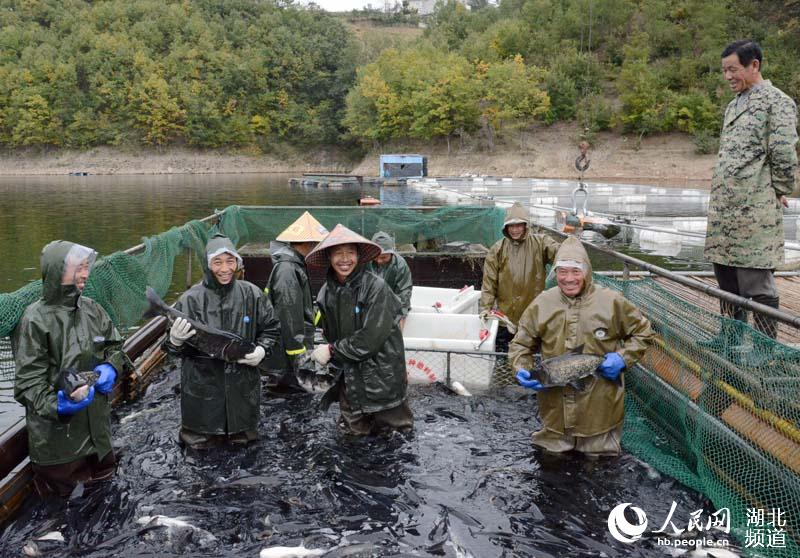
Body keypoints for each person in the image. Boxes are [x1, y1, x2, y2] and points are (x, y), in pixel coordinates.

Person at [509, 236, 653, 457]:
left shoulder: (612, 302)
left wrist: (623, 358)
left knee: (599, 469)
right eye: (562, 271)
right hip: (555, 414)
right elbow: (521, 344)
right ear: (554, 273)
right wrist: (521, 368)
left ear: (587, 271)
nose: (568, 279)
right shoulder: (542, 303)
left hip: (600, 413)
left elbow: (643, 332)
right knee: (550, 468)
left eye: (576, 271)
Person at [13, 241, 131, 497]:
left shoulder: (93, 309)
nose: (85, 274)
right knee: (69, 515)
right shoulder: (34, 319)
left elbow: (116, 347)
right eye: (77, 268)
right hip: (60, 450)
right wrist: (58, 405)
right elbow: (27, 385)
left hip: (100, 439)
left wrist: (111, 366)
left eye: (86, 267)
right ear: (57, 271)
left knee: (108, 502)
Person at [704, 40, 798, 350]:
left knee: (756, 281)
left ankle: (763, 347)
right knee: (727, 279)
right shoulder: (735, 104)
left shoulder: (777, 102)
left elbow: (783, 154)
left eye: (733, 69)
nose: (728, 76)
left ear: (753, 65)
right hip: (725, 212)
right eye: (724, 71)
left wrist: (780, 189)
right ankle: (729, 338)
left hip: (753, 211)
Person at [164, 234, 280, 449]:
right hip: (202, 395)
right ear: (208, 265)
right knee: (199, 453)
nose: (225, 268)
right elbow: (171, 350)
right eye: (217, 262)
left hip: (242, 392)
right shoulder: (190, 299)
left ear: (237, 262)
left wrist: (263, 349)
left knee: (246, 451)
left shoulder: (252, 294)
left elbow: (271, 328)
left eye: (230, 261)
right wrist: (175, 341)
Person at [306, 224, 413, 435]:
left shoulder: (376, 287)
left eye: (350, 253)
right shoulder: (325, 293)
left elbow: (370, 339)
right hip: (350, 381)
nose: (345, 259)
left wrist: (331, 350)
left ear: (359, 256)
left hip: (383, 378)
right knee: (352, 438)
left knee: (397, 438)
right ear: (328, 256)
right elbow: (329, 333)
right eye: (338, 253)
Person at [480, 202, 560, 351]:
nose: (515, 230)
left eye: (519, 225)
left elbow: (561, 251)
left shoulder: (540, 243)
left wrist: (573, 247)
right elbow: (489, 284)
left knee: (531, 357)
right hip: (505, 319)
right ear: (506, 228)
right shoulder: (497, 249)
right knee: (504, 356)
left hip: (534, 318)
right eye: (511, 226)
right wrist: (486, 308)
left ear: (526, 226)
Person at [263, 211, 328, 391]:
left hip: (288, 352)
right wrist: (301, 360)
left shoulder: (295, 265)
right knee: (289, 398)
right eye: (317, 244)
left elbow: (301, 310)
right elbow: (289, 318)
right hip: (285, 357)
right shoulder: (288, 270)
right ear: (309, 243)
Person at [366, 231, 412, 329]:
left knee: (400, 312)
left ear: (392, 253)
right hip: (370, 302)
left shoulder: (400, 265)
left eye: (384, 257)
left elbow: (404, 294)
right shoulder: (365, 262)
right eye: (376, 256)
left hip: (393, 302)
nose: (379, 260)